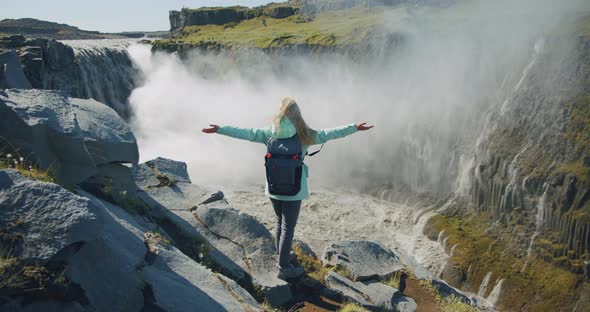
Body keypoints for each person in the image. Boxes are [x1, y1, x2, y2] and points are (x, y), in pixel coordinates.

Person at [202, 97, 373, 279]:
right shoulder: (305, 135)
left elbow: (246, 132)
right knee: (288, 228)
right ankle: (283, 268)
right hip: (294, 190)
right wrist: (354, 127)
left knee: (279, 222)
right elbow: (331, 133)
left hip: (274, 187)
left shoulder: (270, 133)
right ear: (297, 114)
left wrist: (220, 129)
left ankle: (282, 255)